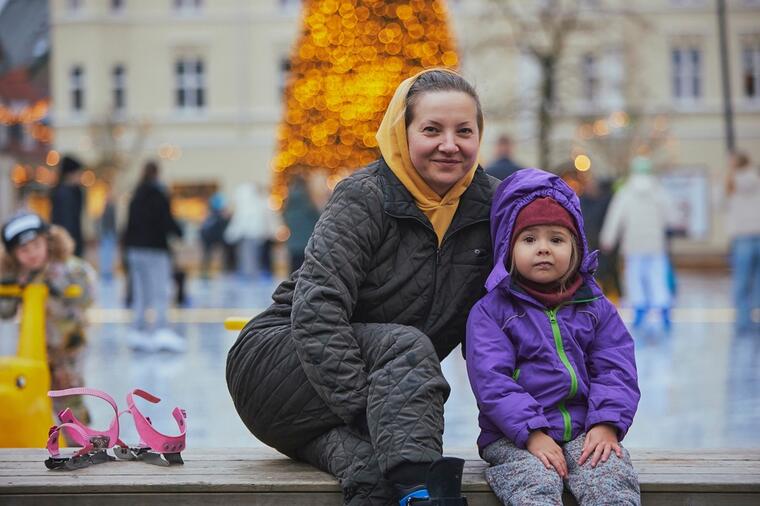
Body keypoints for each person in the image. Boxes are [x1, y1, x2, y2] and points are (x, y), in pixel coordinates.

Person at [226, 68, 497, 505]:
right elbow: (318, 310)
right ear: (402, 131)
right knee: (406, 348)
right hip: (276, 365)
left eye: (464, 131)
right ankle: (425, 493)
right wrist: (367, 412)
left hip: (338, 405)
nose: (450, 144)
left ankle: (414, 490)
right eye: (432, 129)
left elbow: (512, 322)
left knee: (375, 475)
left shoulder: (491, 208)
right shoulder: (365, 196)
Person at [466, 168, 641, 505]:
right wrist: (531, 433)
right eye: (529, 239)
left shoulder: (593, 305)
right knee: (533, 482)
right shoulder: (492, 311)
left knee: (608, 476)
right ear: (508, 247)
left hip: (583, 429)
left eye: (556, 239)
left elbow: (616, 367)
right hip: (514, 434)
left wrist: (606, 422)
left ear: (575, 247)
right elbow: (492, 381)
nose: (543, 249)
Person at [0, 213, 96, 424]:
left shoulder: (69, 268)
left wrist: (57, 287)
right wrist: (10, 286)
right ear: (13, 255)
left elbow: (87, 296)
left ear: (48, 242)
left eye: (36, 245)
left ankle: (79, 440)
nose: (32, 254)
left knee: (69, 395)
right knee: (34, 395)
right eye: (24, 250)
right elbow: (5, 312)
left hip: (68, 345)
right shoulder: (18, 274)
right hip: (36, 348)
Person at [600, 156, 675, 332]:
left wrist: (608, 239)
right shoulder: (659, 191)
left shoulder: (626, 192)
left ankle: (639, 308)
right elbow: (671, 216)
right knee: (657, 276)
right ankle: (662, 306)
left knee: (635, 277)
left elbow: (615, 217)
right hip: (655, 243)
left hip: (633, 244)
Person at [122, 160, 184, 352]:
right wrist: (179, 232)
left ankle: (138, 330)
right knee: (160, 290)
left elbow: (129, 225)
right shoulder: (159, 194)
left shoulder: (136, 195)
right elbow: (166, 220)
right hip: (155, 249)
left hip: (135, 250)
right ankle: (160, 330)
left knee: (140, 291)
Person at [724, 151, 760, 335]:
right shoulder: (757, 178)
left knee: (741, 281)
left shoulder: (732, 182)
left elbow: (719, 203)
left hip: (742, 239)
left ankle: (742, 322)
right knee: (757, 281)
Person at [224, 183, 275, 280]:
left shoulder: (247, 207)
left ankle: (250, 277)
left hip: (247, 236)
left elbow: (238, 224)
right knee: (253, 257)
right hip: (254, 236)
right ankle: (252, 275)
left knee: (248, 258)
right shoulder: (257, 204)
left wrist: (231, 235)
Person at [281, 175, 320, 272]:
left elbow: (284, 218)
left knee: (293, 268)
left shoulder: (289, 204)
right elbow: (318, 219)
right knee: (305, 269)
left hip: (293, 243)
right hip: (306, 243)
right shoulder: (308, 202)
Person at [50, 155, 85, 258]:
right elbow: (66, 221)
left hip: (69, 242)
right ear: (71, 174)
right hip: (67, 243)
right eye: (78, 173)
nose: (80, 176)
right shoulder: (64, 194)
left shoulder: (72, 192)